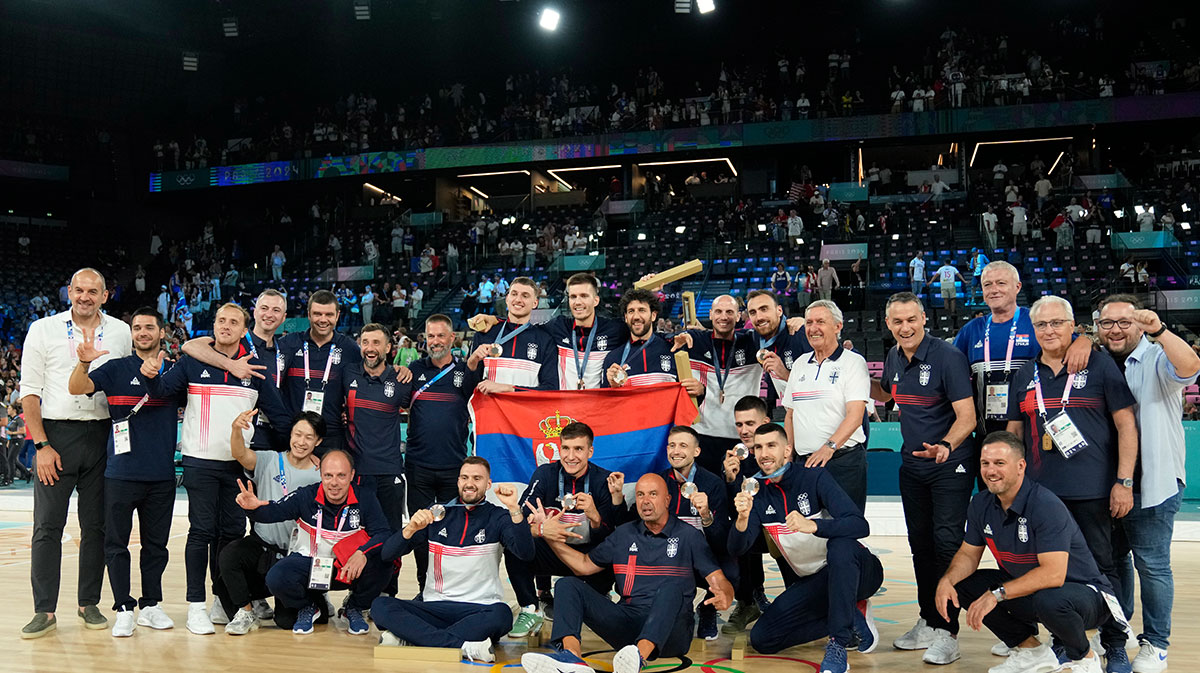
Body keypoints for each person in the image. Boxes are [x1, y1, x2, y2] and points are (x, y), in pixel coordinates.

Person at [141, 303, 292, 635]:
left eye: (234, 322)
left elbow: (281, 419)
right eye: (221, 320)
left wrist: (280, 453)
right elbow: (163, 391)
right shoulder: (193, 363)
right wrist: (151, 377)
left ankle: (222, 600)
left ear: (243, 331)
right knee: (201, 532)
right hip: (200, 462)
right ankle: (195, 605)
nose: (226, 325)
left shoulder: (256, 371)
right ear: (214, 326)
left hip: (238, 467)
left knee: (232, 536)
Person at [1005, 295, 1138, 668]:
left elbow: (1126, 424)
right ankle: (1066, 641)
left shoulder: (1097, 364)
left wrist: (1123, 482)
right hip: (1042, 496)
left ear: (1072, 325)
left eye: (1056, 323)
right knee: (1049, 570)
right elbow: (1015, 432)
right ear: (1034, 330)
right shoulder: (1025, 373)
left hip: (1094, 491)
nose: (1049, 330)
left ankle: (1115, 642)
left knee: (1104, 569)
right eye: (1041, 325)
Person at [935, 431, 1121, 673]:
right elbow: (969, 554)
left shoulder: (1045, 505)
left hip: (1087, 596)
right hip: (1038, 593)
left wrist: (996, 595)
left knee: (1050, 599)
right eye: (985, 463)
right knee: (965, 584)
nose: (991, 471)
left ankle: (1085, 659)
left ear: (1021, 466)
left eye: (1000, 463)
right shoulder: (980, 504)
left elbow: (1053, 575)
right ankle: (1031, 651)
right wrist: (947, 581)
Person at [519, 473, 734, 673]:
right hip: (628, 624)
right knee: (567, 585)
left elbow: (720, 581)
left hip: (672, 633)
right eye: (640, 494)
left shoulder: (689, 536)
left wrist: (725, 594)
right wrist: (548, 536)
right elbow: (583, 565)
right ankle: (571, 658)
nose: (645, 501)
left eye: (653, 494)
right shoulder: (624, 534)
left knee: (671, 588)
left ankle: (638, 659)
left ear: (667, 500)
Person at [19, 268, 132, 638]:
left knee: (96, 526)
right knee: (48, 526)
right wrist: (41, 445)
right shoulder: (43, 329)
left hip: (102, 435)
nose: (85, 296)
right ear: (69, 291)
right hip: (57, 435)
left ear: (105, 295)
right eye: (79, 289)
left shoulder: (120, 332)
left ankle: (89, 602)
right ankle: (45, 610)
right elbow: (30, 392)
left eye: (93, 291)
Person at [871, 292, 976, 665]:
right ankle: (929, 620)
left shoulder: (947, 356)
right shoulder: (894, 357)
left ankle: (949, 633)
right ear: (888, 324)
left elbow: (968, 416)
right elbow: (884, 393)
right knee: (921, 547)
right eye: (898, 322)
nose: (905, 327)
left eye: (911, 319)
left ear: (923, 319)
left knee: (946, 545)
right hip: (912, 468)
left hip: (950, 465)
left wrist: (946, 445)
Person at [728, 423, 883, 673]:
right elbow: (737, 549)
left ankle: (838, 644)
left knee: (841, 547)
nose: (764, 453)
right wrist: (742, 519)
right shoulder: (755, 492)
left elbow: (859, 525)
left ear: (787, 450)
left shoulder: (814, 477)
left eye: (771, 446)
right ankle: (851, 615)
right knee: (762, 639)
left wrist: (814, 525)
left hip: (858, 573)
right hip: (814, 584)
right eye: (758, 447)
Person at [1097, 296, 1199, 672]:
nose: (1117, 330)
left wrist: (1160, 330)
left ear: (1140, 325)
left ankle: (1156, 643)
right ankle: (1117, 633)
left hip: (1153, 483)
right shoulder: (1095, 359)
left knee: (1153, 566)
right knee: (1113, 563)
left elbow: (1191, 367)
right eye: (1108, 323)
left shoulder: (1156, 357)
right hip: (1104, 485)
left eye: (1125, 322)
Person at [66, 307, 176, 638]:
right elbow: (75, 388)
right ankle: (124, 608)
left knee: (156, 545)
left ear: (161, 333)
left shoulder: (173, 372)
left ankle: (152, 605)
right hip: (120, 473)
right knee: (116, 544)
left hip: (161, 475)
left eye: (149, 327)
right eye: (137, 327)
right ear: (132, 333)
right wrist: (84, 361)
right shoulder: (115, 369)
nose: (143, 332)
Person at [373, 457, 533, 662]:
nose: (469, 483)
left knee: (502, 615)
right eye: (465, 477)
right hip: (434, 605)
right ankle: (463, 646)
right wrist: (411, 528)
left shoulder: (499, 517)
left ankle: (413, 637)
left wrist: (514, 509)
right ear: (458, 481)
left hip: (479, 608)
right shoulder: (437, 513)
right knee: (380, 606)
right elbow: (387, 554)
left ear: (488, 484)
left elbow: (525, 553)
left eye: (477, 478)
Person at [235, 449, 392, 635]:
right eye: (328, 475)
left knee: (384, 562)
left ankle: (354, 608)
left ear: (352, 475)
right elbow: (274, 511)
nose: (334, 482)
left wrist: (362, 553)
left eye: (341, 475)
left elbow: (382, 533)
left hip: (347, 568)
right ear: (321, 475)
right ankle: (307, 607)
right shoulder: (306, 495)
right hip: (311, 566)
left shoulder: (365, 498)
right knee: (276, 577)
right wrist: (253, 508)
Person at [506, 422, 623, 639]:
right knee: (515, 545)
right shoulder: (545, 474)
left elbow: (616, 535)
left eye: (578, 449)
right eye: (565, 448)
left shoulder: (602, 480)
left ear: (590, 451)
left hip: (590, 558)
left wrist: (595, 517)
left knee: (619, 548)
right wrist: (540, 527)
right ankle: (531, 608)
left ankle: (600, 595)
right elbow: (519, 522)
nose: (571, 456)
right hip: (553, 555)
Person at [217, 410, 323, 635]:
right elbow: (239, 453)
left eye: (309, 437)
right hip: (262, 546)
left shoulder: (321, 474)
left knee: (286, 621)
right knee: (229, 560)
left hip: (295, 556)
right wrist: (237, 429)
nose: (301, 442)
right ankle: (247, 610)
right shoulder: (269, 460)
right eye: (297, 434)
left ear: (318, 441)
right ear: (290, 435)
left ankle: (312, 601)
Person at [399, 314, 482, 593]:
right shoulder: (412, 370)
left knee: (453, 530)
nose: (435, 341)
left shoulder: (465, 371)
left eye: (440, 336)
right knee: (421, 530)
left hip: (454, 467)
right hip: (418, 467)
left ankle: (452, 588)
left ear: (452, 339)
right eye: (430, 336)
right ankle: (425, 587)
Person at [783, 301, 870, 512]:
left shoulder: (853, 362)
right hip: (804, 463)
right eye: (809, 322)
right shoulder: (800, 364)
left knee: (844, 528)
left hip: (842, 462)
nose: (813, 328)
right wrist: (789, 453)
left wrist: (828, 447)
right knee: (806, 531)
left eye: (821, 322)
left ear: (838, 326)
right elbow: (790, 414)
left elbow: (855, 416)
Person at [183, 289, 288, 449]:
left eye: (276, 310)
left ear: (284, 317)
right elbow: (190, 346)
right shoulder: (234, 340)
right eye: (264, 308)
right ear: (255, 311)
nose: (269, 314)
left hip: (273, 437)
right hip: (239, 440)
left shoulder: (287, 348)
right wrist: (230, 364)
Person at [656, 425, 734, 641]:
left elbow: (721, 540)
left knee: (733, 569)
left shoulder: (713, 484)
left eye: (683, 445)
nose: (676, 451)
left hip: (703, 558)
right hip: (667, 557)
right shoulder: (658, 482)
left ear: (696, 452)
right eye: (672, 445)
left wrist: (706, 515)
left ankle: (707, 610)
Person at [670, 295, 756, 476]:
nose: (723, 317)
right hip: (703, 436)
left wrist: (792, 322)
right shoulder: (694, 341)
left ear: (739, 316)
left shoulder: (752, 342)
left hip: (740, 436)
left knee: (741, 495)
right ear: (710, 314)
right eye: (718, 311)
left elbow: (776, 333)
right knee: (706, 493)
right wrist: (674, 339)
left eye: (729, 312)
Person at [277, 290, 362, 452]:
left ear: (337, 315)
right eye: (317, 314)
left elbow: (369, 377)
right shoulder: (289, 344)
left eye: (329, 314)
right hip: (293, 436)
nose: (323, 320)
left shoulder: (350, 349)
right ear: (308, 314)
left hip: (332, 438)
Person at [344, 324, 407, 533]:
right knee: (358, 535)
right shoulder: (348, 374)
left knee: (391, 535)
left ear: (388, 348)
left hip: (389, 471)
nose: (370, 348)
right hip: (357, 471)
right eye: (365, 342)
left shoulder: (401, 379)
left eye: (376, 343)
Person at [719, 396, 775, 633]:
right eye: (739, 425)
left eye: (750, 424)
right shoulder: (735, 457)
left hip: (781, 526)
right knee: (737, 532)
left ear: (765, 421)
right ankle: (748, 601)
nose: (744, 430)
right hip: (753, 527)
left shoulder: (780, 452)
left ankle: (797, 603)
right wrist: (731, 479)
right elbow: (734, 509)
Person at [467, 277, 557, 392]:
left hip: (524, 409)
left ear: (535, 303)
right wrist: (472, 362)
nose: (518, 299)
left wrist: (509, 389)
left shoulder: (544, 340)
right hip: (490, 409)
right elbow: (468, 389)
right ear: (507, 299)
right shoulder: (485, 333)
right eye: (514, 294)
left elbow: (550, 389)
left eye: (525, 296)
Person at [746, 290, 811, 414]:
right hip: (794, 417)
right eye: (753, 312)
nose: (759, 317)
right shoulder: (757, 339)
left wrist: (785, 374)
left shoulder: (800, 334)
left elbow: (824, 385)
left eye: (764, 309)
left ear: (779, 311)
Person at [601, 289, 677, 388]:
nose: (636, 317)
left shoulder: (672, 350)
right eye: (631, 311)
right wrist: (612, 386)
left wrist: (700, 390)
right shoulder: (613, 358)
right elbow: (606, 401)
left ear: (653, 316)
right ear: (626, 317)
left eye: (642, 310)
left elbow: (685, 393)